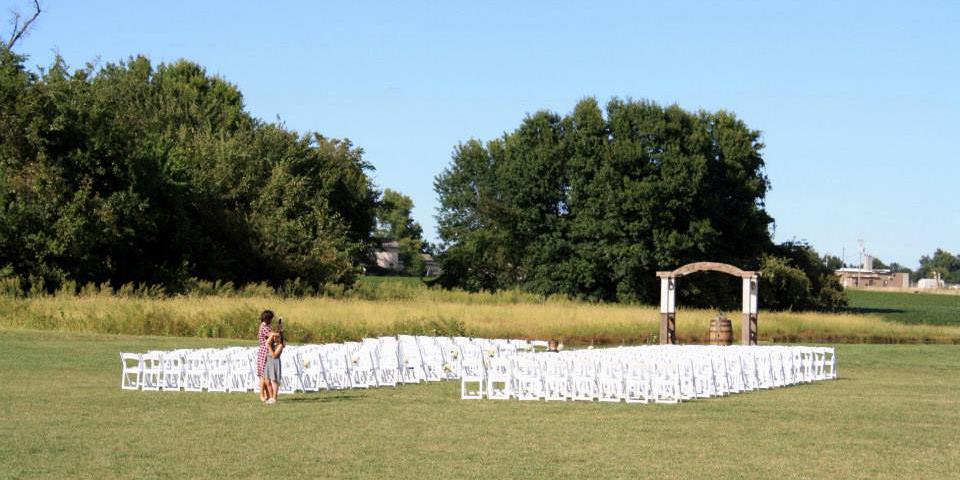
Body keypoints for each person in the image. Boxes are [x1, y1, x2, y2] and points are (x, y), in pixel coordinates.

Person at [263, 320, 285, 404]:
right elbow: (267, 343)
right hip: (268, 362)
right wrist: (272, 335)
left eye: (276, 337)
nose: (275, 339)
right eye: (274, 337)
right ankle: (270, 397)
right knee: (267, 380)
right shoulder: (272, 344)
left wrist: (269, 346)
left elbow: (274, 355)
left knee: (274, 380)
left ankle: (274, 398)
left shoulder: (280, 345)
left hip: (274, 362)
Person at [256, 310, 274, 402]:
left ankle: (267, 395)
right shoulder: (264, 327)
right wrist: (278, 331)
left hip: (265, 350)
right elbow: (271, 335)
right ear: (267, 318)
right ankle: (261, 395)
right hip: (264, 351)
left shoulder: (266, 326)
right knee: (263, 375)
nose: (271, 321)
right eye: (270, 319)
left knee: (266, 376)